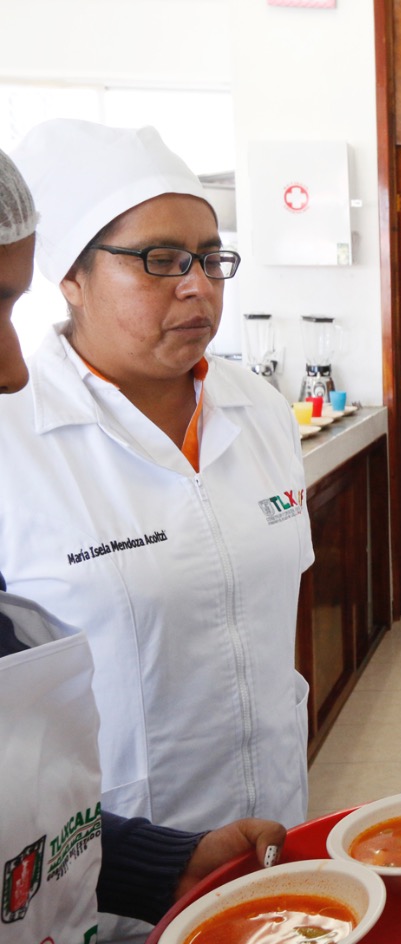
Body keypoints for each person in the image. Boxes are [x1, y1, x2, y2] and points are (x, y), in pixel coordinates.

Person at [0, 148, 284, 942]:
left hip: (267, 834)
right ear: (70, 277)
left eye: (209, 257)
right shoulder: (12, 436)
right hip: (97, 877)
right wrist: (136, 859)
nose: (197, 285)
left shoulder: (258, 407)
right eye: (159, 260)